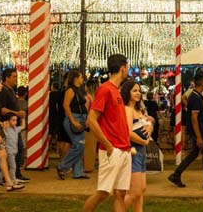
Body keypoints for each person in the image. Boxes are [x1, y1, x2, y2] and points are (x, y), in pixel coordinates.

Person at [82, 54, 132, 212]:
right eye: (127, 66)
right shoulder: (105, 89)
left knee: (120, 194)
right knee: (103, 193)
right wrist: (109, 146)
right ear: (123, 68)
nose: (128, 69)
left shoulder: (116, 90)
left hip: (124, 149)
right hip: (113, 150)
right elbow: (91, 119)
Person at [168, 73, 203, 190]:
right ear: (202, 83)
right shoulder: (196, 98)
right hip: (200, 130)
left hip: (198, 130)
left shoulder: (195, 96)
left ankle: (176, 175)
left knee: (194, 153)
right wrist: (198, 136)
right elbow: (194, 117)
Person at [121, 79, 152, 212]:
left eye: (139, 90)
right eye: (134, 90)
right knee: (135, 192)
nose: (138, 93)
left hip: (141, 151)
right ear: (127, 93)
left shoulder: (139, 109)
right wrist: (144, 141)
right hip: (133, 151)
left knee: (141, 189)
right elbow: (127, 132)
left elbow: (149, 123)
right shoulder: (127, 109)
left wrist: (150, 128)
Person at [0, 68, 29, 184]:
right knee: (8, 152)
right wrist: (17, 113)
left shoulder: (10, 90)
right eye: (14, 77)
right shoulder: (4, 91)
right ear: (7, 78)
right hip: (7, 126)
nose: (16, 79)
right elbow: (2, 110)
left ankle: (14, 174)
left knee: (17, 149)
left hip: (14, 125)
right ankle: (3, 176)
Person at [57, 69, 89, 179]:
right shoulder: (70, 90)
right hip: (75, 118)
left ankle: (78, 172)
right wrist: (73, 121)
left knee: (78, 145)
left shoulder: (79, 89)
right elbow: (66, 106)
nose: (82, 79)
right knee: (79, 145)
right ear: (75, 78)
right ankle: (62, 166)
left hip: (80, 118)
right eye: (80, 77)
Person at [2, 112, 21, 184]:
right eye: (13, 120)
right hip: (9, 151)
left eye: (16, 120)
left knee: (6, 166)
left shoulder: (16, 129)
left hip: (14, 151)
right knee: (13, 167)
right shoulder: (6, 129)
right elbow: (3, 136)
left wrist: (23, 118)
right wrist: (4, 127)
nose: (15, 122)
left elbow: (23, 126)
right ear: (7, 121)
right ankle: (13, 180)